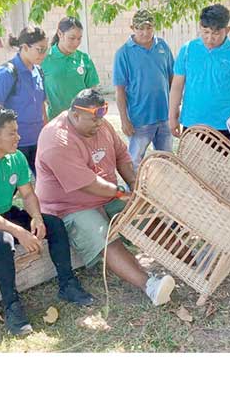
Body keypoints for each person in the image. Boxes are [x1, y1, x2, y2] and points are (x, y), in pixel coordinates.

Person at [0, 106, 95, 336]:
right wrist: (19, 233)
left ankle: (67, 285)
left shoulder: (17, 158)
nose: (18, 137)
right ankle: (12, 306)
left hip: (7, 213)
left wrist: (37, 217)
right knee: (3, 242)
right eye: (11, 133)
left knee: (54, 224)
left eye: (17, 131)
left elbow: (28, 194)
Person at [35, 89, 176, 306]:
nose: (99, 124)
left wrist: (135, 187)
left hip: (107, 193)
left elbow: (122, 156)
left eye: (101, 119)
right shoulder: (56, 139)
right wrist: (121, 193)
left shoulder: (100, 125)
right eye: (93, 120)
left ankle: (195, 263)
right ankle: (150, 286)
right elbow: (89, 184)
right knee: (105, 237)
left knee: (146, 217)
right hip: (69, 205)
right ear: (75, 115)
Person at [168, 4, 230, 144]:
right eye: (205, 32)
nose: (209, 38)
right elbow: (177, 86)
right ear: (200, 27)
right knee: (191, 165)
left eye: (216, 33)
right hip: (193, 122)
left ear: (227, 30)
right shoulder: (188, 50)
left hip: (225, 125)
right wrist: (172, 116)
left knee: (220, 165)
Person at [113, 9, 175, 169]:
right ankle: (134, 192)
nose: (145, 32)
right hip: (139, 119)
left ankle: (163, 192)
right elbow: (120, 90)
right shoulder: (124, 53)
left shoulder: (162, 46)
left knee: (166, 160)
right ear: (132, 27)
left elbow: (172, 78)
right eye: (140, 28)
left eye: (149, 28)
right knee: (134, 161)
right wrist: (124, 119)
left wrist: (174, 108)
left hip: (164, 117)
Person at [0, 26, 48, 176]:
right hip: (14, 143)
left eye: (46, 50)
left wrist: (46, 132)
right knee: (10, 187)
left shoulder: (38, 71)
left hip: (37, 140)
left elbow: (41, 105)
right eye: (40, 49)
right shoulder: (7, 73)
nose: (44, 54)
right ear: (25, 47)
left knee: (44, 184)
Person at [40, 16, 100, 120]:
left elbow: (92, 91)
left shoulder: (84, 59)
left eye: (79, 38)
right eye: (72, 38)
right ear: (60, 34)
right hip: (55, 120)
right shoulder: (44, 59)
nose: (76, 43)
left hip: (82, 121)